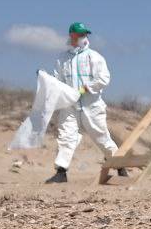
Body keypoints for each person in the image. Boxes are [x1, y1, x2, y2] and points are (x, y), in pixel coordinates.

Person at [45, 22, 121, 184]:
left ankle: (120, 166)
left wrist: (86, 88)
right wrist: (48, 81)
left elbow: (104, 78)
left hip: (91, 105)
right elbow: (58, 80)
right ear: (71, 36)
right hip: (69, 105)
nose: (82, 37)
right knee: (66, 136)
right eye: (79, 35)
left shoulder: (94, 56)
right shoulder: (63, 58)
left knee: (101, 137)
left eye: (84, 34)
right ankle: (61, 172)